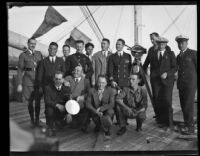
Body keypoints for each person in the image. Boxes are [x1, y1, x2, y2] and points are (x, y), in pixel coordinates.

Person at [147, 37, 177, 130]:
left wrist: (167, 73)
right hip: (156, 82)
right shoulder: (152, 53)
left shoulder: (170, 54)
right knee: (158, 100)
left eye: (163, 44)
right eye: (159, 44)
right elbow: (145, 64)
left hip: (167, 81)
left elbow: (175, 67)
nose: (161, 46)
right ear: (157, 44)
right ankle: (161, 121)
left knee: (167, 101)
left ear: (166, 45)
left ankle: (169, 123)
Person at [143, 32, 171, 120]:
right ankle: (158, 115)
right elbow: (147, 62)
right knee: (156, 97)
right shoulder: (151, 50)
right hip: (154, 78)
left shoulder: (166, 48)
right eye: (150, 39)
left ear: (158, 38)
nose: (152, 40)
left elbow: (170, 63)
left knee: (165, 97)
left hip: (164, 78)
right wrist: (142, 70)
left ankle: (165, 117)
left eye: (153, 38)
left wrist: (168, 74)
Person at [17, 37, 43, 127]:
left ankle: (37, 120)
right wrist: (19, 84)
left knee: (38, 102)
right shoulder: (23, 55)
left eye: (34, 44)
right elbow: (20, 70)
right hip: (28, 82)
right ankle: (32, 120)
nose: (33, 45)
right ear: (28, 44)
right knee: (30, 102)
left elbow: (42, 68)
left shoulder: (39, 54)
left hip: (38, 82)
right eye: (31, 43)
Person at [175, 35, 197, 135]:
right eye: (179, 43)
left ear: (187, 43)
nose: (180, 45)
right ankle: (187, 124)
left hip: (190, 85)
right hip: (181, 85)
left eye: (182, 43)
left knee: (188, 106)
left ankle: (190, 128)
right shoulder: (178, 56)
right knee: (184, 105)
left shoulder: (193, 53)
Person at [107, 38, 132, 125]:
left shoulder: (128, 56)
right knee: (116, 102)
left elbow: (130, 70)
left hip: (125, 83)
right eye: (117, 44)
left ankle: (125, 120)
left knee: (125, 101)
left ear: (123, 46)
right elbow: (110, 71)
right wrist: (112, 81)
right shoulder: (112, 57)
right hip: (116, 83)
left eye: (119, 44)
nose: (117, 46)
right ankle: (119, 121)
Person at [86, 75, 115, 139]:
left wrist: (101, 108)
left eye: (103, 83)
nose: (101, 85)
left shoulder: (110, 90)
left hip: (106, 111)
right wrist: (96, 111)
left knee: (111, 112)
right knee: (90, 112)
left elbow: (112, 104)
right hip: (95, 111)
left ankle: (107, 129)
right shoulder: (91, 90)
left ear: (106, 83)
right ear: (96, 82)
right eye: (99, 82)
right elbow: (88, 104)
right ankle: (98, 125)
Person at [64, 65, 91, 132]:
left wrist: (83, 96)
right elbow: (60, 80)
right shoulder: (68, 78)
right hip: (70, 103)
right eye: (74, 70)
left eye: (78, 71)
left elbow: (89, 93)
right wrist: (63, 82)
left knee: (87, 107)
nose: (75, 72)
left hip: (81, 103)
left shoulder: (86, 81)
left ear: (82, 72)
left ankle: (85, 124)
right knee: (73, 126)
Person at [44, 71, 71, 136]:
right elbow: (47, 100)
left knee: (68, 121)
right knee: (49, 110)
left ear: (63, 80)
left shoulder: (67, 89)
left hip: (63, 109)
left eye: (59, 79)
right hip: (53, 108)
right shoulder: (48, 88)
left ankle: (60, 123)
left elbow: (69, 101)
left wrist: (69, 113)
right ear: (53, 79)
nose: (58, 81)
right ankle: (51, 127)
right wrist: (57, 105)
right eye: (56, 79)